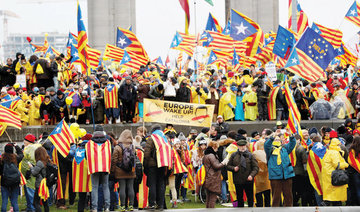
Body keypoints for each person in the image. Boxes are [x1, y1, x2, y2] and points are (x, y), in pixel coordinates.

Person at [264, 128, 296, 207]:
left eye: (279, 140)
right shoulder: (270, 150)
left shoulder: (284, 148)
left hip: (287, 175)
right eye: (276, 139)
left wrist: (290, 135)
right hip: (275, 176)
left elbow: (292, 144)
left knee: (288, 196)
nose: (277, 141)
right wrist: (273, 136)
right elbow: (266, 144)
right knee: (276, 197)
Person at [86, 125, 112, 212]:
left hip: (94, 167)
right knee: (105, 186)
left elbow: (87, 155)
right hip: (105, 167)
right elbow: (110, 153)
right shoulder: (108, 142)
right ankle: (107, 207)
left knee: (94, 187)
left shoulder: (89, 143)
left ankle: (94, 208)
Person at [144, 124, 170, 210]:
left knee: (152, 185)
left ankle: (151, 204)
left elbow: (146, 154)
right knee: (161, 185)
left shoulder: (151, 138)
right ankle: (161, 205)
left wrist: (145, 165)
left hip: (153, 165)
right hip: (163, 164)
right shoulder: (165, 139)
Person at [227, 139, 259, 207]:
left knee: (250, 198)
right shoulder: (234, 155)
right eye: (241, 146)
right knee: (239, 198)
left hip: (248, 180)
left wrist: (251, 175)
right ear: (238, 146)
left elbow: (256, 168)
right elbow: (228, 166)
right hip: (238, 180)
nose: (242, 147)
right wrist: (233, 168)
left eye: (244, 145)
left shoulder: (250, 155)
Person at [111, 130, 136, 212]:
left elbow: (114, 160)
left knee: (122, 188)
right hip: (131, 171)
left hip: (120, 171)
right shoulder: (132, 146)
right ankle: (131, 205)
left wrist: (113, 171)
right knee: (130, 188)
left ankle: (122, 206)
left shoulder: (118, 147)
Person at [322, 138, 349, 206]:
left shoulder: (329, 151)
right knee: (336, 199)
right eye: (339, 145)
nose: (340, 146)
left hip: (329, 177)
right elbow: (337, 165)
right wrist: (346, 164)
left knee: (332, 198)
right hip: (334, 177)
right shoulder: (334, 153)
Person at [202, 140, 228, 208]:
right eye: (216, 148)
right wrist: (223, 163)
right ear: (213, 147)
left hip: (208, 178)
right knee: (212, 198)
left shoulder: (206, 155)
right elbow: (216, 166)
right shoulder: (211, 156)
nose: (217, 150)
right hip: (213, 179)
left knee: (208, 198)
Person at [0, 143, 24, 212]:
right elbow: (21, 154)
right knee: (14, 202)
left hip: (5, 182)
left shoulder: (2, 160)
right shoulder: (16, 158)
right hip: (15, 182)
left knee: (4, 201)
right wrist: (16, 146)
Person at [21, 134, 41, 212]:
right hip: (26, 173)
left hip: (30, 173)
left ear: (28, 141)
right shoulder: (30, 147)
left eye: (25, 140)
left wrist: (30, 170)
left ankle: (32, 208)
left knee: (30, 191)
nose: (23, 141)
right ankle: (29, 208)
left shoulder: (31, 148)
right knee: (27, 191)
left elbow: (32, 160)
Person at [29, 146, 50, 212]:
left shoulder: (40, 162)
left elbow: (34, 173)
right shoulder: (48, 160)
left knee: (36, 203)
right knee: (45, 202)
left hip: (40, 185)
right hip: (45, 183)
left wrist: (31, 167)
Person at [252, 140, 271, 207]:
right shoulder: (268, 152)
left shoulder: (254, 153)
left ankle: (259, 207)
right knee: (267, 194)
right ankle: (267, 207)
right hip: (267, 175)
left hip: (257, 176)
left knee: (258, 193)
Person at [348, 136, 360, 205]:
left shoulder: (352, 150)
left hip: (355, 173)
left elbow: (351, 161)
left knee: (357, 189)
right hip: (357, 172)